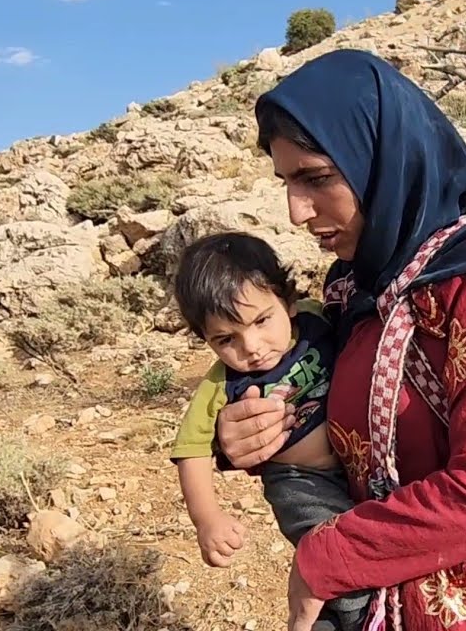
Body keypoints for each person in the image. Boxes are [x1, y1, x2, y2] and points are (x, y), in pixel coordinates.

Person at [211, 49, 466, 631]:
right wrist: (242, 437)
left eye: (316, 177)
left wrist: (325, 559)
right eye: (286, 182)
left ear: (383, 161)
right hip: (385, 581)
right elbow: (324, 400)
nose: (296, 212)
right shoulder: (359, 286)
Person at [168, 231, 370, 630]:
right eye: (226, 339)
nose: (252, 346)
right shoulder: (220, 385)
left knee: (370, 539)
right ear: (205, 341)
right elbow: (190, 451)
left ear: (288, 301)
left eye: (262, 320)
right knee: (334, 553)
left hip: (358, 462)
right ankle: (357, 617)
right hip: (297, 480)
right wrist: (207, 519)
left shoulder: (316, 320)